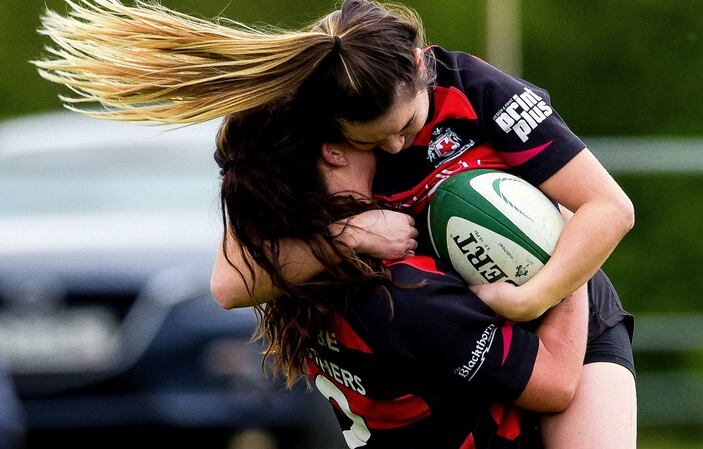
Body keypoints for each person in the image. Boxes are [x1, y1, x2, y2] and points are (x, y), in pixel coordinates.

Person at [34, 1, 636, 447]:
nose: (404, 143)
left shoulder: (474, 88)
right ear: (330, 138)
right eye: (382, 139)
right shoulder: (297, 136)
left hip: (562, 295)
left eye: (411, 123)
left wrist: (536, 288)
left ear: (423, 66)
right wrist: (350, 235)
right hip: (450, 323)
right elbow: (230, 281)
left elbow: (610, 209)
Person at [215, 102, 590, 448]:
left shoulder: (292, 270)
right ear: (333, 150)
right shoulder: (404, 293)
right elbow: (556, 382)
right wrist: (568, 245)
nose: (391, 142)